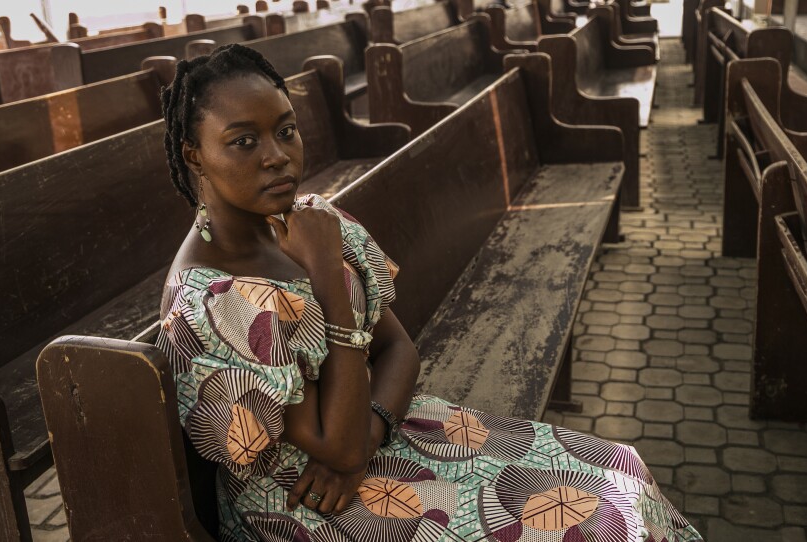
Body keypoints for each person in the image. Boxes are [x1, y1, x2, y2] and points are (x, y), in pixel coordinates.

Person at [156, 44, 703, 541]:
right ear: (195, 154)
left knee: (620, 472)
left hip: (378, 439)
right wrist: (324, 274)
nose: (275, 155)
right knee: (595, 527)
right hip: (303, 506)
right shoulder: (214, 299)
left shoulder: (313, 222)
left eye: (287, 130)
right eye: (243, 141)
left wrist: (369, 435)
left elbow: (398, 351)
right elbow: (333, 446)